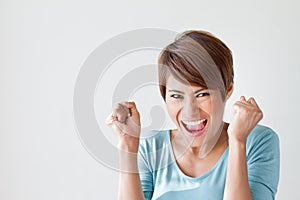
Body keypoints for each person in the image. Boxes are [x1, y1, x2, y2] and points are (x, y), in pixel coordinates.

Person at [106, 30, 280, 200]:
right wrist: (128, 146)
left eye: (202, 94)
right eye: (176, 96)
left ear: (227, 90)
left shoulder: (257, 142)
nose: (190, 111)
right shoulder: (151, 148)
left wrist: (237, 142)